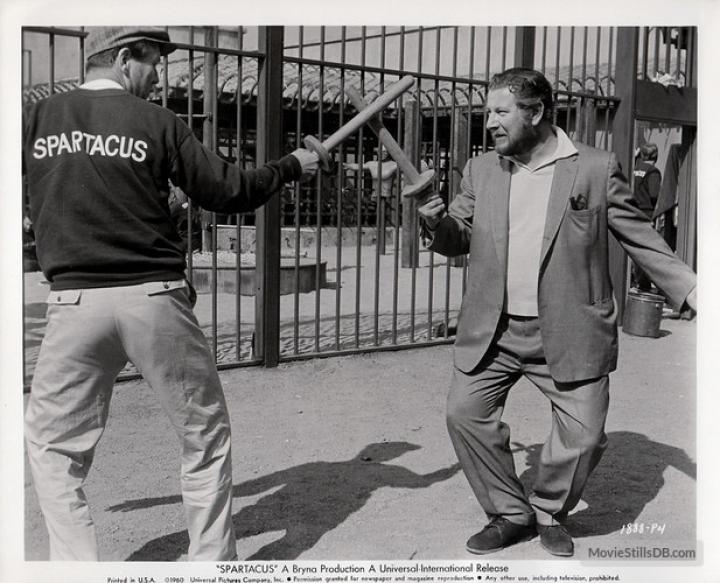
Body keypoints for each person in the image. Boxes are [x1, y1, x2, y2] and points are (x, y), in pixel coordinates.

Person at [22, 26, 318, 561]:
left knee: (51, 446)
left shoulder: (37, 119)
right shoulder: (158, 122)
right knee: (203, 435)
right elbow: (229, 191)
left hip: (73, 302)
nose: (158, 75)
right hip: (152, 298)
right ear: (122, 57)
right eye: (153, 61)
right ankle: (213, 565)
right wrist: (292, 166)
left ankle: (74, 570)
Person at [417, 68, 697, 558]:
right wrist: (434, 219)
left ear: (537, 112)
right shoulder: (481, 170)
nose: (490, 124)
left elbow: (641, 236)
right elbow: (456, 237)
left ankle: (548, 509)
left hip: (568, 329)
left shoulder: (593, 167)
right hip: (494, 330)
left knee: (585, 436)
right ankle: (509, 513)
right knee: (464, 414)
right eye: (488, 113)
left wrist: (695, 293)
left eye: (500, 112)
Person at [631, 143, 662, 291]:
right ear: (656, 156)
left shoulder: (635, 170)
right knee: (647, 250)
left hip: (633, 211)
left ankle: (637, 281)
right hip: (646, 213)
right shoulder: (653, 171)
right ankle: (643, 284)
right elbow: (654, 194)